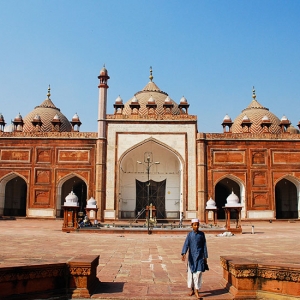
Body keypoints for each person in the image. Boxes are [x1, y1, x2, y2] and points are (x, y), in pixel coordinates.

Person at [181, 218, 208, 299]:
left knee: (198, 273)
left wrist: (205, 257)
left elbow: (204, 246)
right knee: (191, 274)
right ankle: (192, 289)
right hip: (192, 257)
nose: (196, 226)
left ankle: (197, 290)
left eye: (197, 225)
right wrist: (184, 253)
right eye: (195, 225)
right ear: (192, 226)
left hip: (199, 256)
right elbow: (186, 244)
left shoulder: (202, 235)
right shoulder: (190, 235)